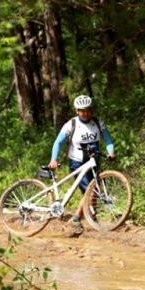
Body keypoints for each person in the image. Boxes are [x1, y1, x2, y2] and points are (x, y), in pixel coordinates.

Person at [49, 95, 116, 230]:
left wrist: (111, 152)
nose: (85, 113)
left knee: (96, 190)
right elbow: (58, 142)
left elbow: (108, 139)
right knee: (91, 191)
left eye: (87, 110)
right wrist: (53, 159)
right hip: (77, 163)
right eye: (82, 110)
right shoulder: (71, 125)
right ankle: (81, 218)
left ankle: (82, 217)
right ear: (77, 111)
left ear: (91, 110)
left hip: (93, 162)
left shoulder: (98, 123)